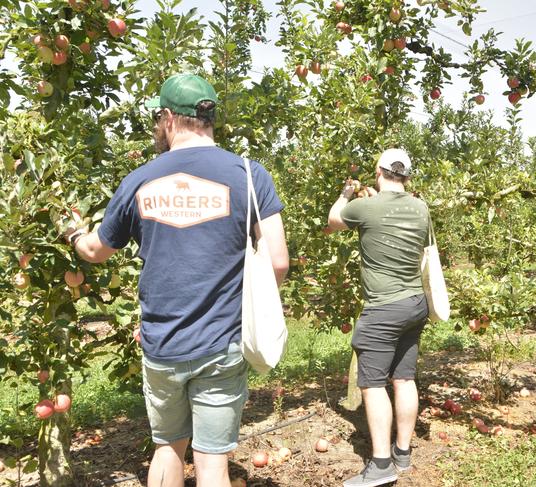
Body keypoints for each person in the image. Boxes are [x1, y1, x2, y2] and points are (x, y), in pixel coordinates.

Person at [66, 73, 289, 487]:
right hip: (222, 344)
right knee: (212, 463)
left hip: (162, 343)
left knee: (168, 448)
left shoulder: (139, 180)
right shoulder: (249, 174)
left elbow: (95, 251)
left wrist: (76, 234)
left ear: (168, 119)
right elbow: (277, 261)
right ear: (210, 119)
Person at [327, 148, 430, 487]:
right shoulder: (420, 207)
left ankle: (382, 464)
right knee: (404, 379)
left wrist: (346, 194)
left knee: (372, 386)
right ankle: (402, 453)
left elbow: (333, 221)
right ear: (407, 176)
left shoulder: (363, 206)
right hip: (415, 304)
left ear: (378, 171)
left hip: (383, 309)